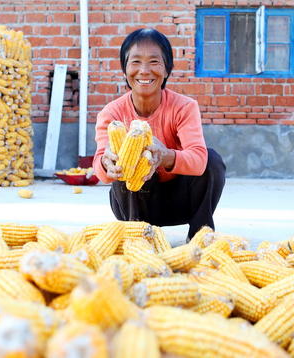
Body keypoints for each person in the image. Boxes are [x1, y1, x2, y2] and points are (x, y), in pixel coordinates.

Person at [92, 28, 226, 240]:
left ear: (166, 70)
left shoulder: (184, 107)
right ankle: (136, 238)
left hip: (181, 203)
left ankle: (201, 236)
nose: (144, 70)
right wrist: (107, 163)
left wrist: (165, 156)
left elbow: (199, 161)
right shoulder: (112, 113)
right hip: (133, 204)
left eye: (154, 62)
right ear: (124, 69)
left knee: (212, 160)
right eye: (135, 62)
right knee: (127, 162)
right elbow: (101, 169)